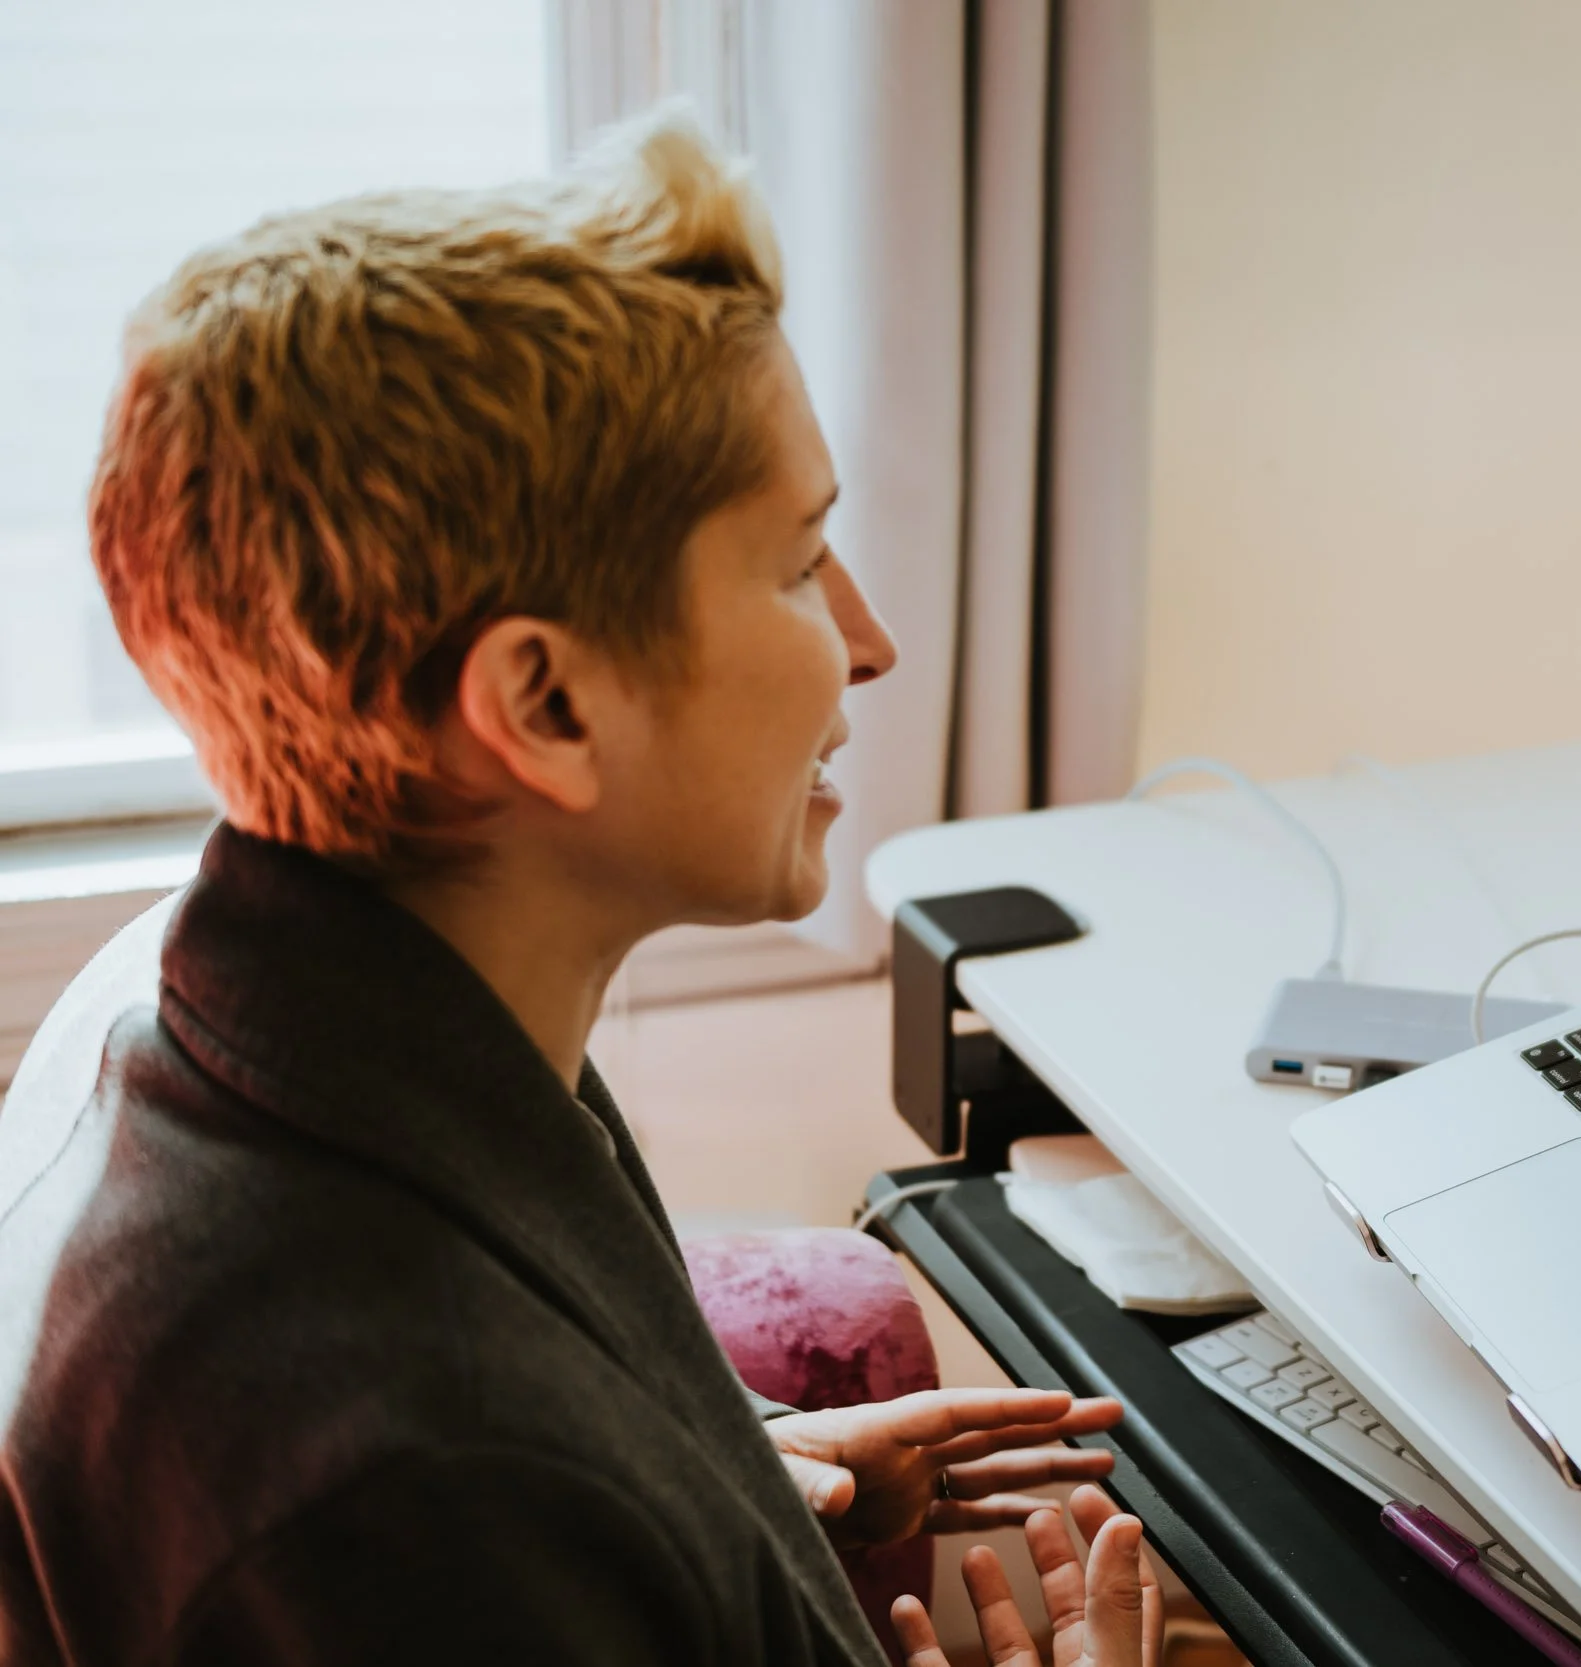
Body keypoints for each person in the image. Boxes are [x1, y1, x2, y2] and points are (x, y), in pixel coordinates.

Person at [0, 110, 1158, 1665]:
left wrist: (743, 1473)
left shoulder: (343, 997)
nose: (869, 640)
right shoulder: (421, 1491)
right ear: (543, 705)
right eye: (801, 560)